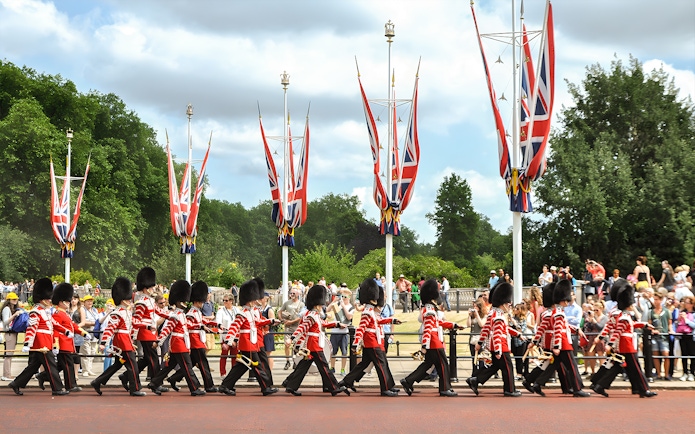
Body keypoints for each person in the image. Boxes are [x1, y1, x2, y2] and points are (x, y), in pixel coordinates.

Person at [593, 281, 657, 398]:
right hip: (626, 345)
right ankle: (644, 390)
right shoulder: (623, 316)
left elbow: (630, 325)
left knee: (617, 366)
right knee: (636, 368)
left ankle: (600, 385)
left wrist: (644, 325)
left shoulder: (624, 315)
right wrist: (610, 344)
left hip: (623, 344)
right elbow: (618, 331)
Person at [283, 285, 349, 397]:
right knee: (324, 366)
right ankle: (334, 387)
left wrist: (337, 324)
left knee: (303, 367)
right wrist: (291, 338)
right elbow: (302, 328)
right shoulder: (311, 316)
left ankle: (290, 384)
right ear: (317, 304)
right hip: (313, 345)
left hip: (313, 344)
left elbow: (324, 324)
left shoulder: (315, 315)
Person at [339, 279, 400, 396]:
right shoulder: (367, 311)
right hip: (372, 342)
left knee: (365, 364)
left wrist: (393, 320)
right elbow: (361, 328)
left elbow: (379, 321)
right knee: (381, 365)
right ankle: (385, 388)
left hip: (374, 341)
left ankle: (346, 381)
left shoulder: (371, 311)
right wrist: (355, 343)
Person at [9, 278, 69, 396]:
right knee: (51, 366)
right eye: (47, 298)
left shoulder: (45, 311)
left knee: (33, 367)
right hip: (41, 344)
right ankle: (57, 388)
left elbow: (53, 324)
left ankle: (16, 383)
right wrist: (27, 344)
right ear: (41, 298)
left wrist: (65, 331)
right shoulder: (35, 311)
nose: (49, 300)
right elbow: (32, 329)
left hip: (46, 342)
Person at [402, 279, 462, 397]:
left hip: (432, 341)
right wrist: (424, 346)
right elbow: (428, 329)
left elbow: (438, 322)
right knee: (443, 364)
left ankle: (408, 381)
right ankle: (445, 388)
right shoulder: (430, 310)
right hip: (434, 342)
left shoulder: (428, 309)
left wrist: (453, 325)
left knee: (428, 364)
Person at [219, 279, 278, 396]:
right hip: (247, 343)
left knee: (241, 366)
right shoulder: (243, 313)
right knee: (256, 365)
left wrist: (271, 321)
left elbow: (258, 322)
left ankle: (225, 385)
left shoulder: (253, 311)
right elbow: (234, 327)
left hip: (254, 342)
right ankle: (265, 387)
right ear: (248, 300)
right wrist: (228, 341)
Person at [89, 277, 146, 396]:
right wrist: (103, 343)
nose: (130, 301)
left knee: (117, 365)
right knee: (132, 365)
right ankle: (135, 388)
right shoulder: (117, 313)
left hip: (126, 341)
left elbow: (133, 323)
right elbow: (110, 329)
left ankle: (97, 381)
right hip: (122, 343)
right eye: (128, 299)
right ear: (123, 299)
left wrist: (147, 323)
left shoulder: (126, 311)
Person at [148, 280, 206, 396]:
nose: (185, 302)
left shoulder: (181, 314)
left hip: (180, 343)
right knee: (187, 366)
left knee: (168, 367)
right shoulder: (175, 315)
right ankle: (194, 388)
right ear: (179, 302)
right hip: (178, 344)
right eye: (183, 301)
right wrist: (158, 341)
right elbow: (167, 329)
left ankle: (154, 383)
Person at [467, 282, 520, 397]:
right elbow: (496, 334)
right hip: (500, 345)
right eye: (508, 303)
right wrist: (498, 350)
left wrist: (518, 335)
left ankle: (475, 380)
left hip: (495, 345)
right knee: (507, 368)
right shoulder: (498, 316)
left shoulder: (493, 313)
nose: (510, 305)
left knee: (495, 367)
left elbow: (487, 329)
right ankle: (510, 389)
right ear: (503, 303)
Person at [37, 283, 92, 392]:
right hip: (62, 344)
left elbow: (72, 326)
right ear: (61, 302)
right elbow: (56, 330)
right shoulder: (57, 314)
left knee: (63, 365)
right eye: (67, 301)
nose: (69, 303)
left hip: (68, 343)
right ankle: (70, 385)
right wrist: (56, 345)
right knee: (68, 365)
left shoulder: (65, 313)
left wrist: (83, 333)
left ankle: (43, 376)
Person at [167, 281, 217, 393]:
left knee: (191, 365)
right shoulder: (190, 313)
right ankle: (209, 385)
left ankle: (173, 378)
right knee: (203, 364)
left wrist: (217, 325)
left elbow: (204, 320)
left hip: (198, 340)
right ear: (197, 301)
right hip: (194, 341)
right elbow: (189, 326)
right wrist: (201, 326)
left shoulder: (197, 312)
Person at [128, 267, 170, 391]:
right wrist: (146, 326)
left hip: (151, 332)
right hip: (145, 333)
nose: (154, 288)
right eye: (151, 287)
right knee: (154, 359)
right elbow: (135, 320)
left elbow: (159, 311)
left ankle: (125, 377)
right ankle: (156, 383)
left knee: (147, 359)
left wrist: (173, 315)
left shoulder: (150, 300)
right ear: (146, 288)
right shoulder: (141, 302)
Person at [327, 286, 354, 376]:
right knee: (333, 351)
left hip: (344, 332)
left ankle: (343, 369)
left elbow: (349, 317)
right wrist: (334, 301)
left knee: (344, 352)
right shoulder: (337, 304)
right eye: (342, 296)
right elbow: (327, 310)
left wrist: (343, 306)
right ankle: (332, 367)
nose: (343, 298)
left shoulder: (350, 307)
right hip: (335, 331)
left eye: (345, 297)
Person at [277, 289, 304, 370]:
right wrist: (282, 320)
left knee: (296, 345)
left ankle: (295, 361)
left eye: (293, 293)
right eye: (291, 293)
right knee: (287, 344)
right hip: (288, 327)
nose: (292, 294)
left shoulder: (301, 304)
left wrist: (291, 321)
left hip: (296, 326)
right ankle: (287, 361)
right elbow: (280, 311)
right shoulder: (287, 303)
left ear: (298, 294)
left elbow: (301, 316)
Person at [581, 300, 607, 376]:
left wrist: (594, 320)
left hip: (600, 337)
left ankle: (602, 373)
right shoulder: (593, 317)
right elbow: (588, 327)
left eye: (597, 310)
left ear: (601, 309)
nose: (595, 312)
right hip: (592, 337)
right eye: (594, 310)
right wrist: (590, 319)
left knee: (600, 354)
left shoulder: (604, 318)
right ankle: (593, 372)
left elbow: (600, 327)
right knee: (590, 354)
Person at [1, 292, 23, 381]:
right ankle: (6, 375)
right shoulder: (7, 309)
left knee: (9, 354)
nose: (15, 300)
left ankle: (7, 374)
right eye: (13, 299)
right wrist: (14, 315)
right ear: (9, 300)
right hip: (9, 333)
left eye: (16, 299)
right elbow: (5, 322)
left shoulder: (11, 308)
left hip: (12, 333)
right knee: (8, 354)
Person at [216, 294, 239, 376]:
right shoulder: (221, 311)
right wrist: (220, 326)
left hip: (235, 335)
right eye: (224, 300)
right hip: (226, 335)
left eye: (226, 300)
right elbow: (218, 322)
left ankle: (233, 374)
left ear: (231, 301)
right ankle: (223, 373)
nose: (224, 302)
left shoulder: (236, 310)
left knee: (234, 356)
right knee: (224, 355)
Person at [649, 292, 671, 380]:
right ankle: (658, 374)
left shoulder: (666, 311)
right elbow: (649, 323)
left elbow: (669, 323)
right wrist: (653, 330)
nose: (655, 301)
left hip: (663, 336)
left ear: (661, 300)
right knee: (655, 355)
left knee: (666, 354)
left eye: (657, 299)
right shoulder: (651, 312)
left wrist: (670, 330)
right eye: (654, 299)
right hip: (655, 336)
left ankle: (666, 374)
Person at [80, 294, 102, 377]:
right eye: (88, 301)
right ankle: (85, 370)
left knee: (92, 351)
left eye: (91, 301)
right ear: (84, 302)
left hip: (95, 333)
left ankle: (89, 369)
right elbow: (84, 322)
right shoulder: (82, 310)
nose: (90, 302)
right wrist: (94, 323)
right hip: (86, 332)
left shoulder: (95, 310)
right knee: (86, 351)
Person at [467, 297, 488, 376]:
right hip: (472, 339)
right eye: (473, 306)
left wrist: (477, 316)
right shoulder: (472, 316)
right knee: (473, 358)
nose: (474, 308)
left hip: (480, 339)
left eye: (476, 306)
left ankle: (481, 374)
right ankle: (474, 374)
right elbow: (468, 325)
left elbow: (482, 324)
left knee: (481, 358)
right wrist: (469, 316)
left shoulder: (484, 316)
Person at [676, 295, 695, 381]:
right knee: (684, 355)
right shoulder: (682, 312)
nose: (685, 304)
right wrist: (679, 319)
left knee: (692, 355)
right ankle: (684, 372)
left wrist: (686, 320)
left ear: (692, 304)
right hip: (683, 336)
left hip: (691, 337)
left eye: (687, 302)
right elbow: (678, 325)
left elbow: (694, 325)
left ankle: (692, 372)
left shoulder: (694, 314)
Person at [102, 298, 116, 371]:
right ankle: (106, 370)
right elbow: (100, 321)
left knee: (111, 352)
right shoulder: (102, 313)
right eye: (108, 305)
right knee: (107, 352)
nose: (109, 307)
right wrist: (107, 313)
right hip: (105, 335)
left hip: (112, 335)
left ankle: (109, 369)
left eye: (111, 305)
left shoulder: (115, 314)